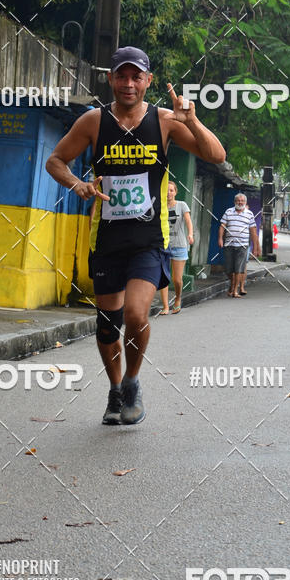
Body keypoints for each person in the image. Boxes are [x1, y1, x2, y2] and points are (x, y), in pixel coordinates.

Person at [45, 46, 225, 426]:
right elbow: (55, 160)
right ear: (111, 79)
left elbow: (216, 156)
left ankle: (132, 382)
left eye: (136, 77)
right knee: (108, 324)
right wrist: (78, 184)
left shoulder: (164, 121)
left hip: (149, 238)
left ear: (148, 81)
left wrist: (191, 121)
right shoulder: (94, 122)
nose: (129, 84)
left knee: (135, 312)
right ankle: (114, 391)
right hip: (107, 240)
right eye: (121, 76)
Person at [158, 181, 194, 314]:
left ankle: (178, 298)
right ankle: (166, 306)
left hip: (179, 246)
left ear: (175, 192)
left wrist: (190, 234)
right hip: (164, 246)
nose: (168, 193)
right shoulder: (160, 206)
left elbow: (188, 221)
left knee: (176, 279)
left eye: (171, 190)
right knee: (164, 278)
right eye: (166, 190)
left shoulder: (182, 205)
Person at [218, 193, 261, 298]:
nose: (240, 202)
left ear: (245, 202)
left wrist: (255, 247)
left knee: (239, 269)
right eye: (238, 200)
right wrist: (220, 239)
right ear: (235, 202)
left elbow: (253, 231)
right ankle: (233, 284)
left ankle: (235, 290)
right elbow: (222, 226)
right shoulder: (228, 212)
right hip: (229, 244)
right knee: (228, 269)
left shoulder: (249, 214)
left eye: (242, 201)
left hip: (242, 246)